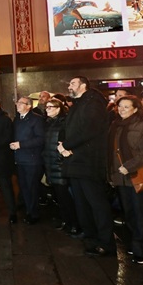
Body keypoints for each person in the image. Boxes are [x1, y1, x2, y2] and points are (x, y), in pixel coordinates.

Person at [58, 76, 115, 257]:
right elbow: (69, 128)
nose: (69, 86)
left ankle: (106, 242)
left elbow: (89, 130)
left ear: (83, 85)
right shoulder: (80, 103)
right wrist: (62, 143)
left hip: (89, 162)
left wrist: (67, 145)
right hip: (76, 162)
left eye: (72, 83)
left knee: (96, 203)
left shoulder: (93, 103)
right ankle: (90, 237)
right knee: (82, 203)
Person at [108, 95, 143, 265]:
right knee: (129, 213)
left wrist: (129, 166)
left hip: (138, 176)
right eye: (120, 106)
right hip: (121, 177)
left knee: (141, 214)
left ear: (136, 109)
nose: (122, 110)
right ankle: (134, 244)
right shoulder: (115, 125)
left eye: (126, 107)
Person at [43, 98, 80, 235]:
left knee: (66, 197)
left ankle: (74, 223)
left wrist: (62, 157)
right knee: (59, 196)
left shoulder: (64, 122)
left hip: (60, 163)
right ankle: (66, 220)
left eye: (50, 107)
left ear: (59, 109)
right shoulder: (48, 123)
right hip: (50, 162)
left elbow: (66, 143)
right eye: (46, 107)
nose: (47, 109)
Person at [10, 96, 45, 224]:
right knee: (23, 186)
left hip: (32, 160)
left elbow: (41, 139)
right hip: (19, 159)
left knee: (32, 187)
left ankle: (34, 214)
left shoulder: (37, 119)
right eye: (17, 102)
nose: (18, 104)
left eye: (21, 103)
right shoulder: (17, 119)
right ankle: (29, 210)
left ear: (29, 106)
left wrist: (21, 144)